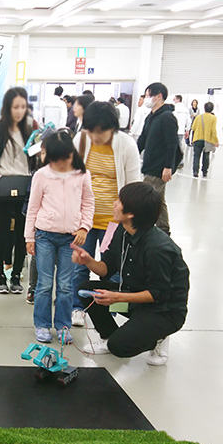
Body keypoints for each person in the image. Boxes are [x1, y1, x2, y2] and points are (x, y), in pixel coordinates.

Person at [73, 182, 190, 366]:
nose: (114, 203)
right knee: (86, 290)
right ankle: (108, 336)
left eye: (119, 201)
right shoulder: (123, 230)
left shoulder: (157, 248)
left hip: (164, 311)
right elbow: (107, 267)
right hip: (132, 293)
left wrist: (117, 297)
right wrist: (88, 261)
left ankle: (158, 337)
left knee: (120, 347)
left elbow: (158, 294)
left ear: (131, 213)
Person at [71, 101, 142, 328]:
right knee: (79, 264)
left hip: (114, 221)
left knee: (112, 270)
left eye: (100, 131)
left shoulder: (127, 145)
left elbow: (133, 186)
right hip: (85, 219)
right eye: (91, 130)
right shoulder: (80, 140)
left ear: (113, 127)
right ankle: (77, 307)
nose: (95, 136)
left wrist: (130, 219)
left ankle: (108, 311)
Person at [26, 132, 94, 345]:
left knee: (65, 285)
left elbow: (88, 203)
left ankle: (63, 325)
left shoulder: (82, 174)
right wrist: (30, 236)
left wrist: (84, 227)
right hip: (45, 235)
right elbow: (33, 207)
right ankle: (42, 324)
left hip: (71, 238)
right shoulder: (42, 175)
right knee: (44, 283)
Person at [0, 87, 33, 295]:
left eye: (22, 107)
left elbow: (37, 160)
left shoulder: (30, 129)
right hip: (2, 187)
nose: (19, 111)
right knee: (1, 234)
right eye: (15, 107)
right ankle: (0, 276)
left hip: (26, 188)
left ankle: (17, 275)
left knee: (23, 235)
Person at [136, 82, 179, 235]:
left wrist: (168, 166)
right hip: (149, 163)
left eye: (148, 95)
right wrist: (132, 154)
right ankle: (163, 228)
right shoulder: (151, 117)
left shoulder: (167, 117)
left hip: (159, 166)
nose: (146, 98)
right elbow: (142, 139)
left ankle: (147, 227)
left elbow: (172, 143)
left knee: (148, 197)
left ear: (159, 96)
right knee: (158, 198)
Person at [190, 101, 219, 178]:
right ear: (212, 109)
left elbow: (193, 127)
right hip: (207, 140)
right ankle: (204, 171)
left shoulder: (198, 117)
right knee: (206, 156)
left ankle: (195, 171)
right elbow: (213, 130)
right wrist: (216, 140)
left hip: (197, 138)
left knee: (196, 156)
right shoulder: (213, 118)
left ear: (204, 108)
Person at [172, 95, 190, 166]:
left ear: (177, 100)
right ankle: (180, 161)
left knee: (173, 146)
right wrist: (187, 130)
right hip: (181, 131)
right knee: (179, 145)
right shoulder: (186, 109)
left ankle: (178, 161)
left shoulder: (175, 109)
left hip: (174, 130)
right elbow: (188, 121)